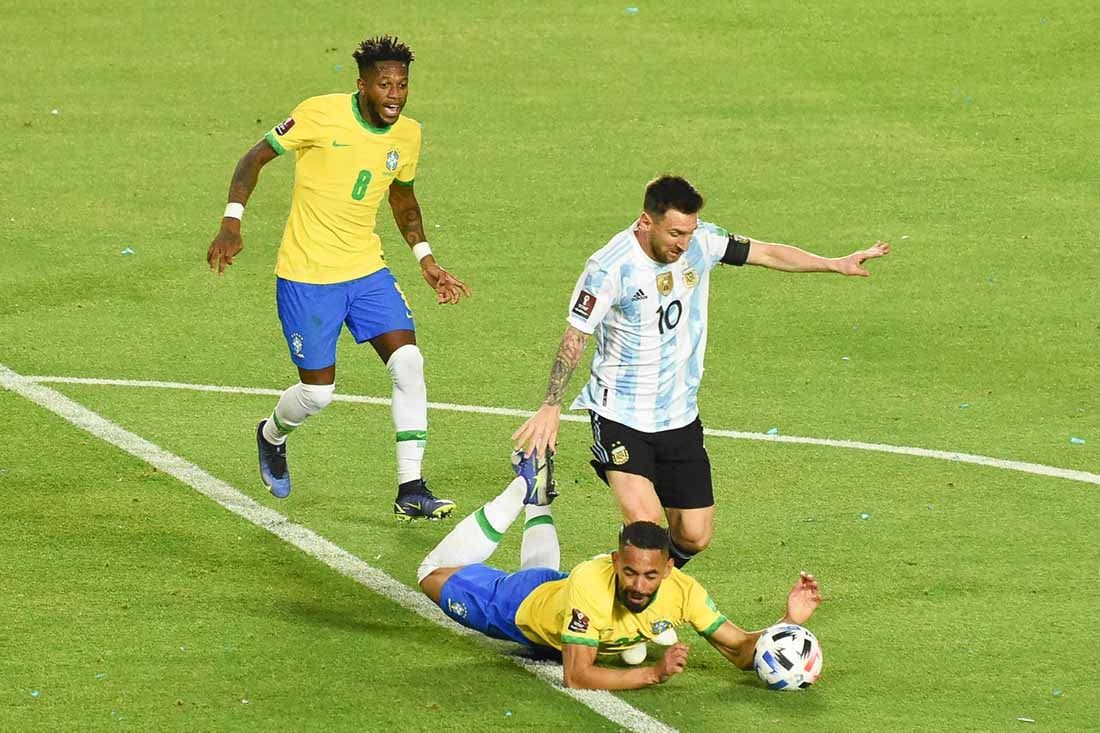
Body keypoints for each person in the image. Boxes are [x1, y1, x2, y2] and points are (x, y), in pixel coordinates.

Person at [512, 175, 889, 565]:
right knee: (647, 526)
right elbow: (577, 335)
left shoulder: (703, 242)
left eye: (689, 232)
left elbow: (769, 253)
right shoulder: (610, 267)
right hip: (620, 413)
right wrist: (551, 405)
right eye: (675, 233)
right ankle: (621, 603)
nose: (684, 244)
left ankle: (645, 579)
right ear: (646, 222)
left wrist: (834, 263)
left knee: (693, 536)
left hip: (679, 414)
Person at [206, 35, 470, 520]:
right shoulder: (318, 114)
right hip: (307, 277)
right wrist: (231, 221)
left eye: (402, 84)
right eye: (384, 84)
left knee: (408, 365)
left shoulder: (408, 134)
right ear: (362, 85)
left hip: (366, 271)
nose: (395, 93)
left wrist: (426, 261)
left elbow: (403, 198)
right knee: (318, 394)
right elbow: (253, 158)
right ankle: (272, 433)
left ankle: (411, 487)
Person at [417, 451, 822, 690]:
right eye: (629, 573)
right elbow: (577, 675)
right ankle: (523, 488)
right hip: (517, 607)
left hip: (558, 606)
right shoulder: (592, 585)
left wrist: (788, 625)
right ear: (615, 562)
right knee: (430, 572)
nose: (639, 586)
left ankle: (539, 499)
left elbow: (739, 651)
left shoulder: (686, 592)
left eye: (650, 576)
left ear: (667, 570)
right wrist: (654, 673)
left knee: (553, 595)